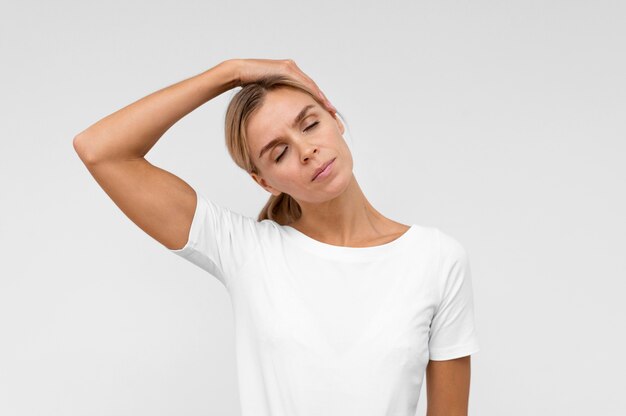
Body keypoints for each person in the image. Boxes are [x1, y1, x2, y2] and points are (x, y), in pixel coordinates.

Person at [73, 58, 480, 416]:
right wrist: (229, 73)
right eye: (279, 152)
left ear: (334, 118)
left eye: (310, 124)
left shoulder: (436, 259)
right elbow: (100, 149)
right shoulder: (247, 251)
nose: (306, 150)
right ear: (263, 181)